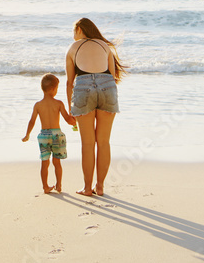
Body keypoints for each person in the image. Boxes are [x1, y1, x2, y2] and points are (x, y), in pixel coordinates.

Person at [65, 18, 127, 196]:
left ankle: (87, 188)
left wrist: (71, 109)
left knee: (87, 143)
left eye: (73, 30)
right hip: (107, 88)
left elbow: (69, 82)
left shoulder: (72, 48)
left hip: (83, 89)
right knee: (104, 142)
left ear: (79, 30)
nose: (72, 34)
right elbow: (111, 77)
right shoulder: (104, 46)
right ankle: (99, 187)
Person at [22, 73, 76, 194]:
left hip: (43, 136)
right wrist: (74, 121)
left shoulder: (38, 105)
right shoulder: (58, 103)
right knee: (57, 162)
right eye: (57, 88)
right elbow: (68, 119)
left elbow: (32, 121)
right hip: (57, 135)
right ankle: (58, 185)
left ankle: (45, 187)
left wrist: (27, 135)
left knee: (44, 163)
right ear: (53, 89)